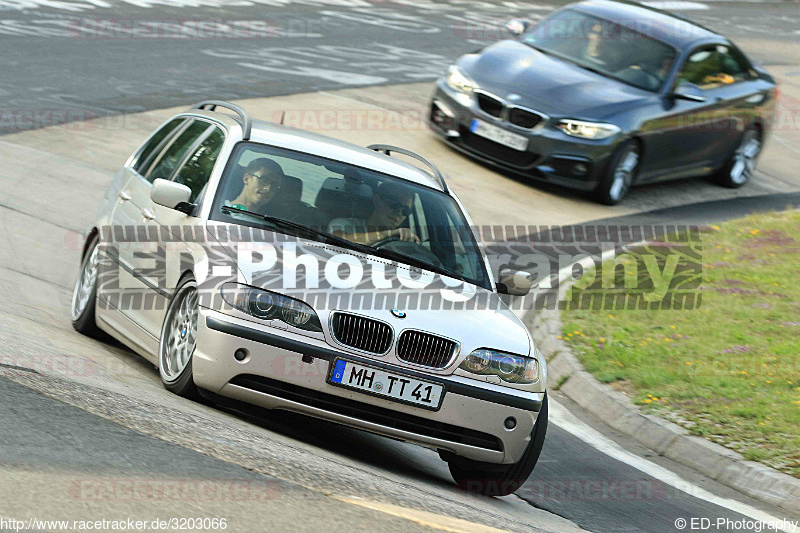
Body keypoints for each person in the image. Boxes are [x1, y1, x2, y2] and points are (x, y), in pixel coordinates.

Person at [328, 181, 420, 246]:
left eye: (406, 211)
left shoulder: (405, 243)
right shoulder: (344, 224)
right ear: (376, 200)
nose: (399, 213)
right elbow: (340, 241)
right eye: (394, 205)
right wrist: (387, 234)